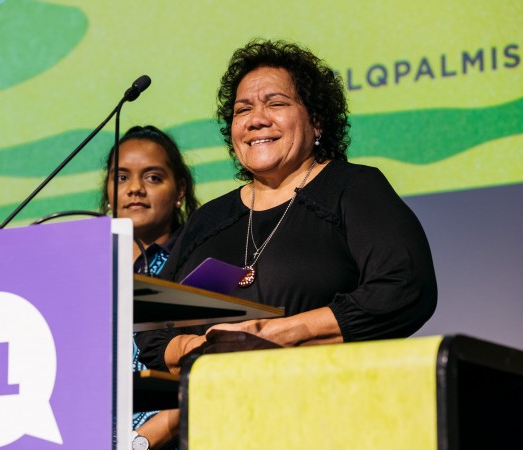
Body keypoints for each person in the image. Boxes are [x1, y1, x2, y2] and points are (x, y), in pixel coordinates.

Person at [135, 39, 437, 375]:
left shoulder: (352, 188)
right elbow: (152, 328)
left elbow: (405, 287)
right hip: (217, 416)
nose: (256, 120)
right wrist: (203, 347)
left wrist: (278, 335)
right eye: (242, 110)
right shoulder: (209, 219)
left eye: (275, 103)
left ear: (317, 121)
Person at [102, 125, 198, 449]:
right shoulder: (85, 267)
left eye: (153, 177)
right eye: (122, 177)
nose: (135, 189)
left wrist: (141, 440)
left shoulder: (198, 259)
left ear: (180, 190)